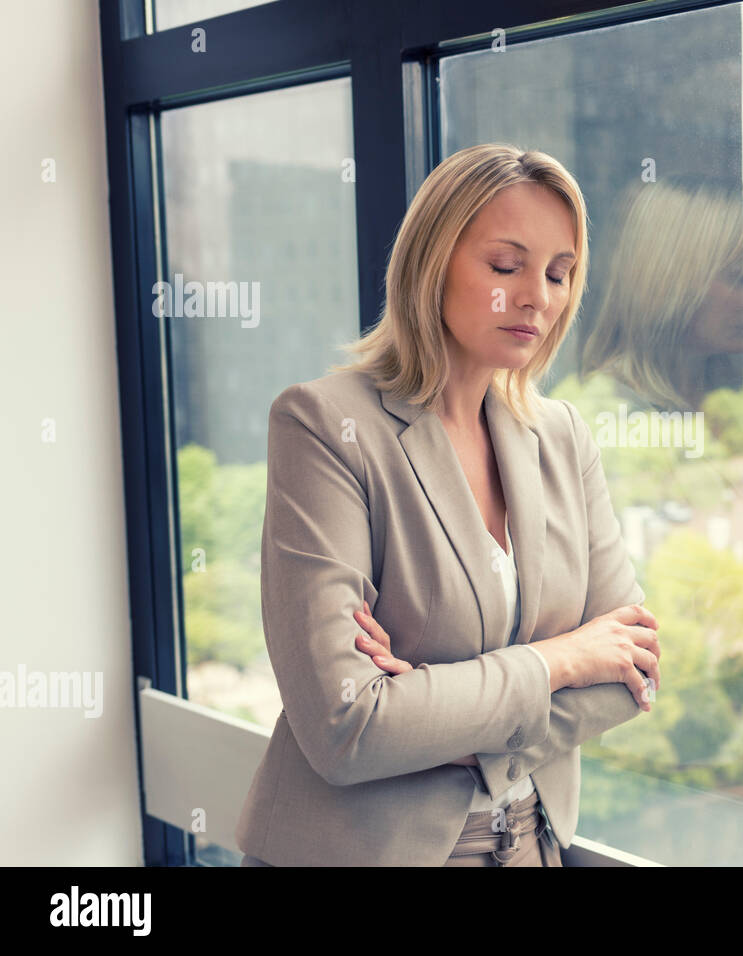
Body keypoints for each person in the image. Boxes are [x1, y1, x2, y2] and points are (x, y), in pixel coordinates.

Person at [234, 144, 662, 866]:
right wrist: (559, 661)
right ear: (433, 263)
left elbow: (633, 672)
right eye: (506, 267)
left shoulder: (561, 436)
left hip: (528, 844)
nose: (538, 297)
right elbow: (347, 727)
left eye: (560, 274)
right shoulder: (324, 425)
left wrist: (430, 710)